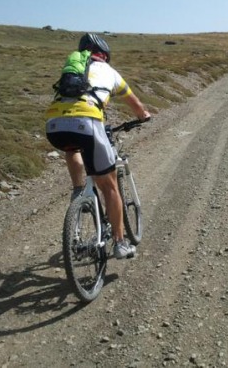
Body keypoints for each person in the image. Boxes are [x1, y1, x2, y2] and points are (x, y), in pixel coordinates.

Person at [45, 33, 151, 259]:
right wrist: (143, 115)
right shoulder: (109, 72)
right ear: (104, 54)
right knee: (110, 187)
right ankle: (121, 243)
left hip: (54, 125)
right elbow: (135, 103)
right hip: (88, 123)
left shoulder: (73, 68)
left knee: (73, 147)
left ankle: (77, 191)